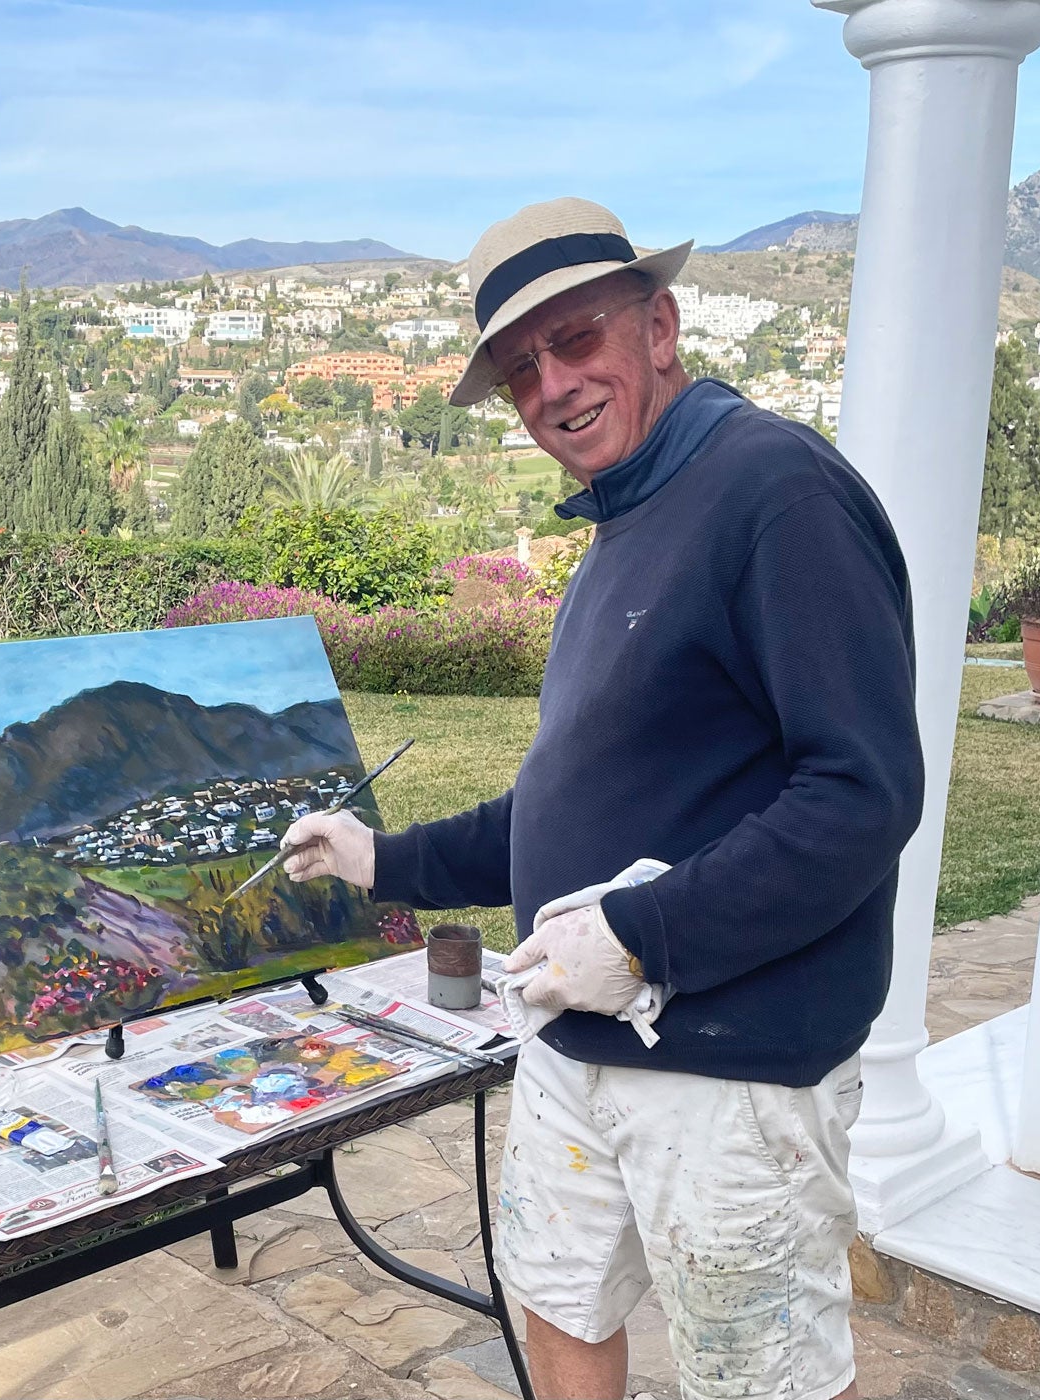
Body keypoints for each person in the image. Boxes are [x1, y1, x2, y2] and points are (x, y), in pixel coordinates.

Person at [282, 197, 923, 1400]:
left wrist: (641, 935)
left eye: (577, 340)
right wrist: (383, 859)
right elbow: (567, 799)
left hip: (733, 1069)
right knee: (556, 1297)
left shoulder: (775, 492)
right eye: (522, 368)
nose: (554, 385)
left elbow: (864, 792)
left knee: (760, 1375)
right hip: (577, 1043)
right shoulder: (625, 523)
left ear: (662, 324)